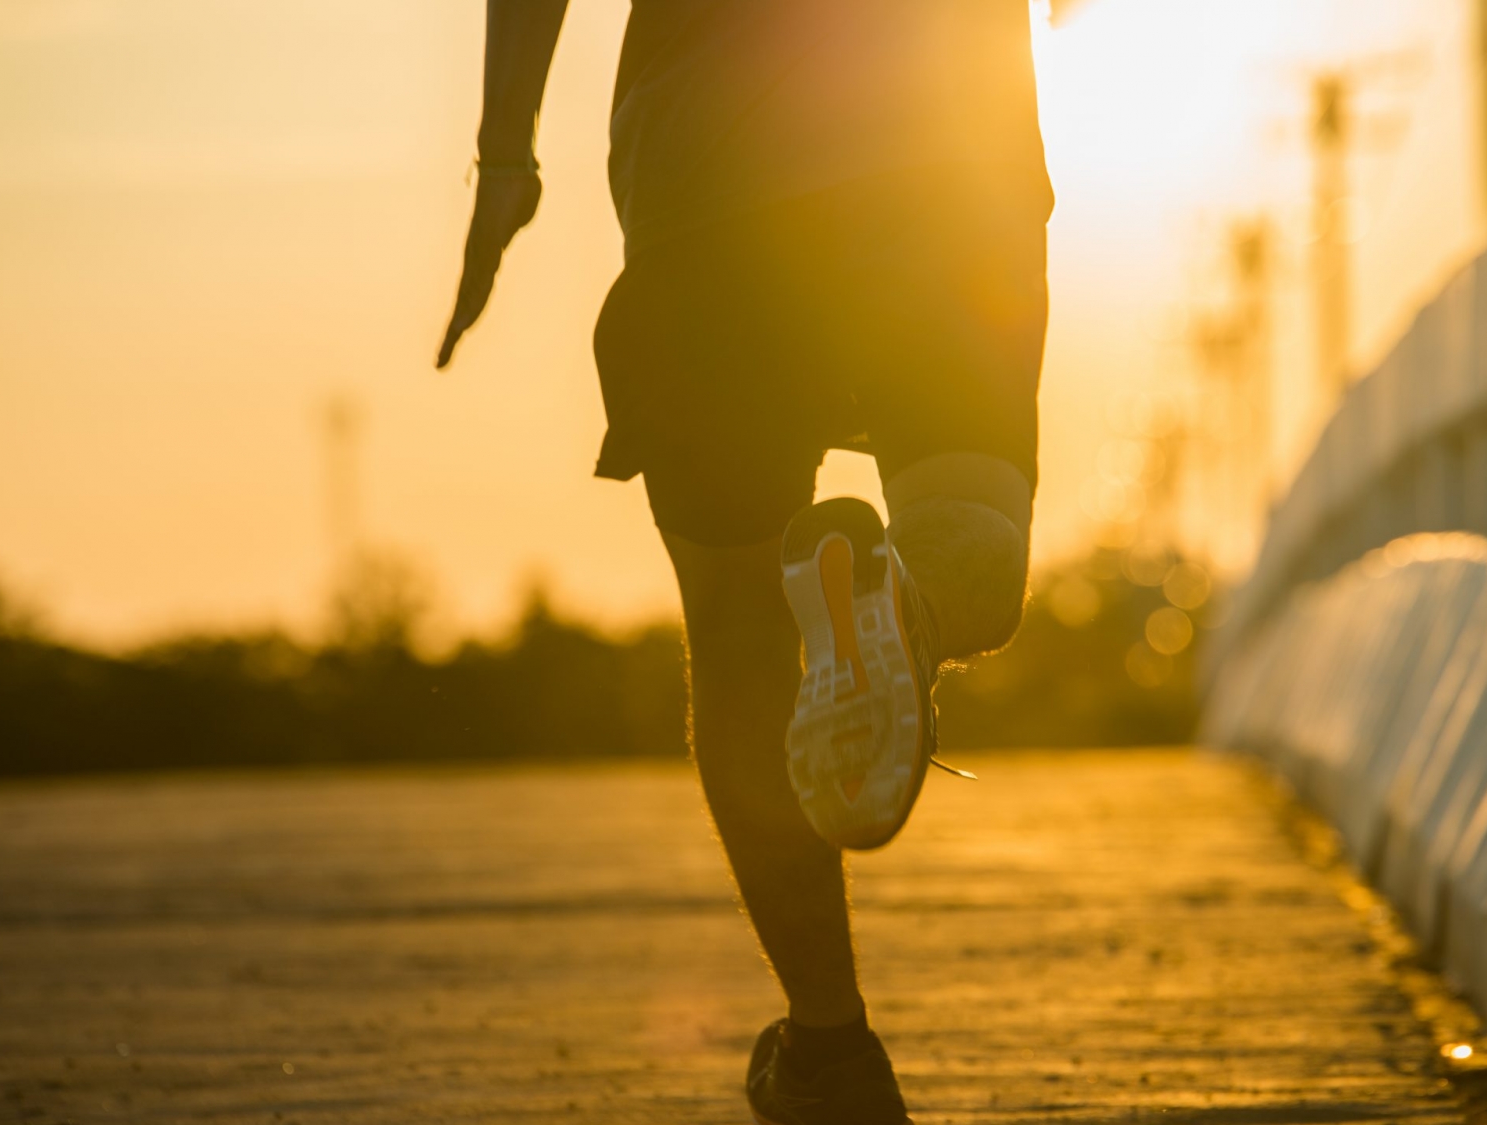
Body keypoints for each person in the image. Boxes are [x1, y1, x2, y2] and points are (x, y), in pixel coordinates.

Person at [436, 3, 1051, 1121]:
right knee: (973, 546)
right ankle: (900, 604)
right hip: (947, 152)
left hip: (705, 170)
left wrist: (505, 157)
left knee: (733, 628)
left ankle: (828, 1051)